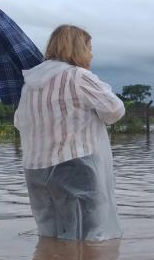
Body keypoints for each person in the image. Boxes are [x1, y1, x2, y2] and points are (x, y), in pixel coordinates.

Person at [14, 24, 125, 241]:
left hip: (36, 171)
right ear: (77, 48)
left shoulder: (29, 84)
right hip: (75, 166)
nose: (91, 54)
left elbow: (19, 121)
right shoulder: (79, 77)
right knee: (87, 238)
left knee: (50, 237)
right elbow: (114, 110)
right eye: (89, 47)